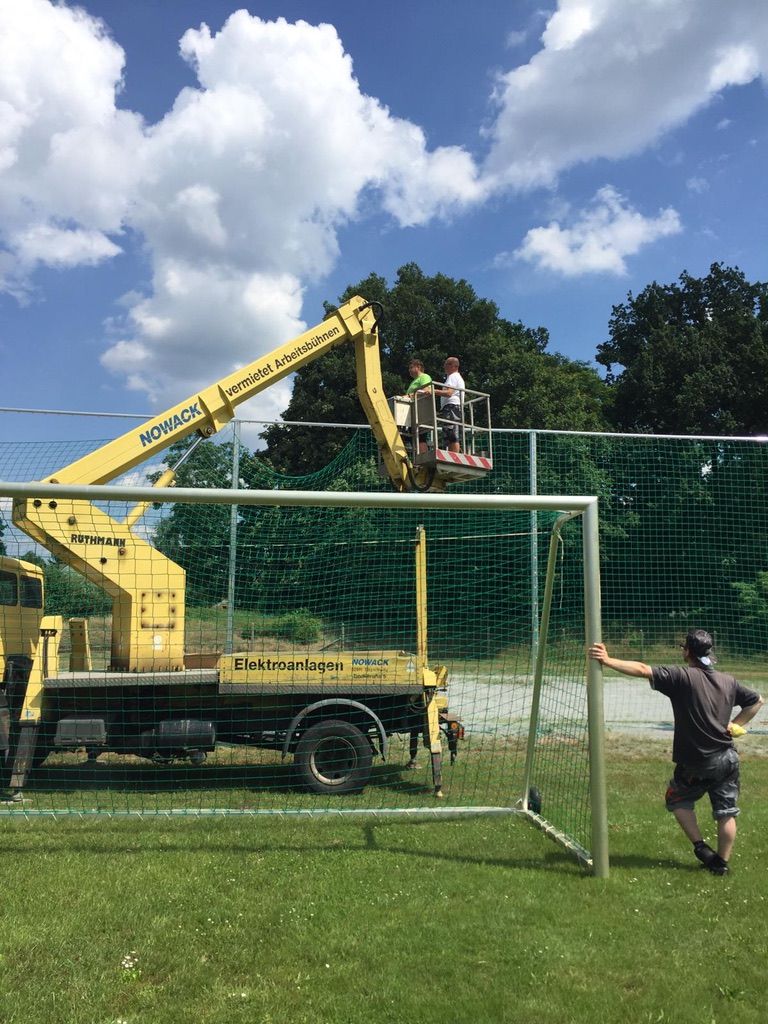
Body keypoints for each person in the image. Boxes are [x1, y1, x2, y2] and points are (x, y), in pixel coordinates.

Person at [589, 630, 763, 875]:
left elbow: (642, 669)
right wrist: (735, 725)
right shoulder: (728, 681)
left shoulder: (681, 677)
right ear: (709, 652)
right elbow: (757, 700)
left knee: (677, 799)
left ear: (687, 652)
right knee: (726, 811)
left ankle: (701, 848)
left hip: (697, 761)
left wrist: (607, 660)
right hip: (727, 758)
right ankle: (720, 864)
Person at [432, 356, 464, 453]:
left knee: (452, 434)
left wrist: (433, 391)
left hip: (451, 407)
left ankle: (454, 455)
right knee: (451, 433)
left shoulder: (453, 376)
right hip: (453, 407)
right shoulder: (455, 377)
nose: (444, 366)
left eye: (446, 364)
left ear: (453, 366)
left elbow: (449, 392)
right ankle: (454, 454)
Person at [401, 358, 432, 454]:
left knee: (420, 437)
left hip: (421, 412)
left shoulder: (424, 377)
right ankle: (418, 456)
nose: (409, 370)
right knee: (414, 437)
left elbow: (426, 391)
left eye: (411, 367)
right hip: (414, 413)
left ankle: (423, 457)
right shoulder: (414, 381)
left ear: (418, 367)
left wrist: (409, 396)